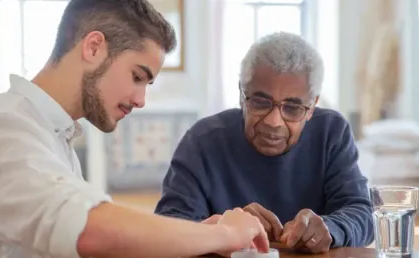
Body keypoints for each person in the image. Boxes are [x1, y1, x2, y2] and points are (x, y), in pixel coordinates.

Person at [0, 0, 269, 257]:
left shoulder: (53, 136)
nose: (141, 100)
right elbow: (88, 228)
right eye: (137, 77)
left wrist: (195, 235)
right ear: (94, 47)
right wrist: (225, 235)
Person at [155, 32, 374, 254]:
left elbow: (362, 214)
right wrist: (226, 229)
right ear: (242, 95)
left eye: (293, 108)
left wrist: (330, 227)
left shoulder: (331, 133)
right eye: (260, 102)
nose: (273, 122)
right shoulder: (202, 141)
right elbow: (169, 228)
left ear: (312, 106)